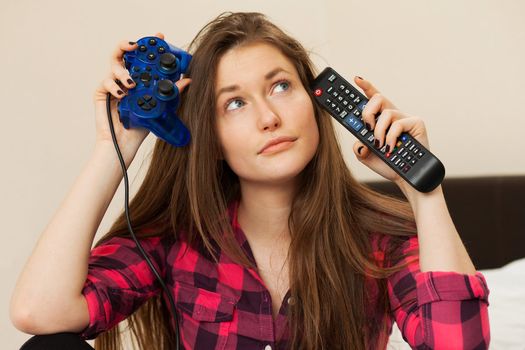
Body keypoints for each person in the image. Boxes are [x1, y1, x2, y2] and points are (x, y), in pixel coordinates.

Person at [11, 11, 490, 350]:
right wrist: (112, 148)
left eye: (281, 86)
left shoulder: (383, 237)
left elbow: (457, 344)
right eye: (234, 103)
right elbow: (40, 313)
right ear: (210, 135)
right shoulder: (178, 238)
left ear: (316, 102)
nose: (268, 117)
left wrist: (423, 191)